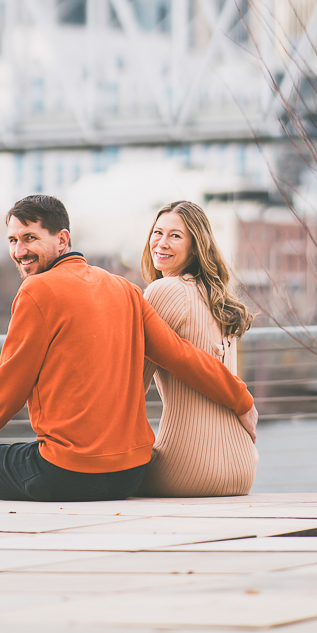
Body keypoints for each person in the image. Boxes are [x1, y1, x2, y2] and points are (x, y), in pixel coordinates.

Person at [0, 193, 256, 503]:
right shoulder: (126, 289)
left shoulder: (35, 291)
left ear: (63, 239)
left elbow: (10, 382)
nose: (19, 251)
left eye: (30, 238)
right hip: (130, 472)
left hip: (66, 471)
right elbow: (181, 356)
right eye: (13, 240)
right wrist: (241, 399)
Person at [138, 200, 258, 497]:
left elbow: (134, 383)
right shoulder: (217, 298)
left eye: (175, 236)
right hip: (243, 468)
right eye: (157, 232)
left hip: (186, 468)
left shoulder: (163, 290)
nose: (161, 243)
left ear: (195, 247)